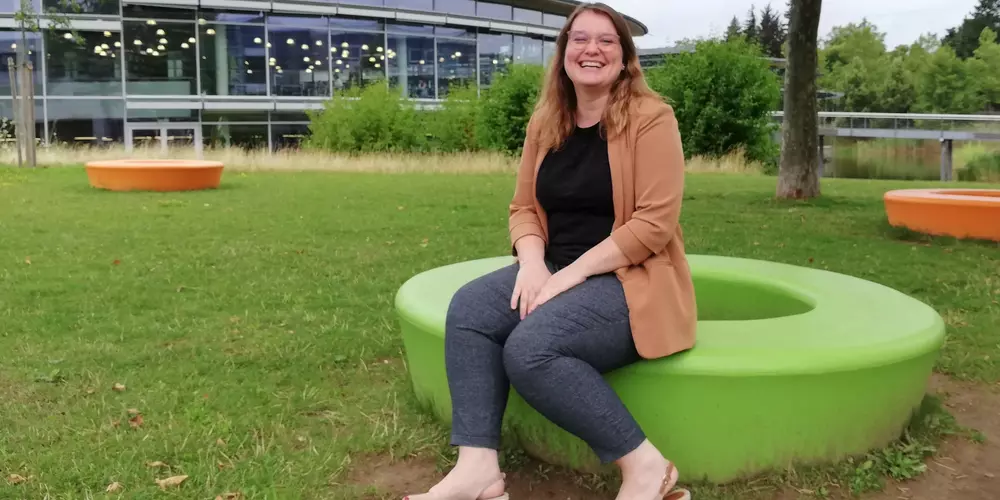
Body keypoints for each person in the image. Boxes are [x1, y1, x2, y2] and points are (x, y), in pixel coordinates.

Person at [403, 3, 697, 499]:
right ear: (563, 54)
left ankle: (647, 466)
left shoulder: (653, 118)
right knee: (471, 309)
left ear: (624, 58)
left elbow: (654, 224)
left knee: (532, 350)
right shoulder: (547, 121)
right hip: (557, 265)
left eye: (606, 40)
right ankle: (478, 471)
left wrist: (567, 277)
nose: (592, 49)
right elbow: (523, 209)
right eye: (579, 39)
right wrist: (535, 264)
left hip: (630, 280)